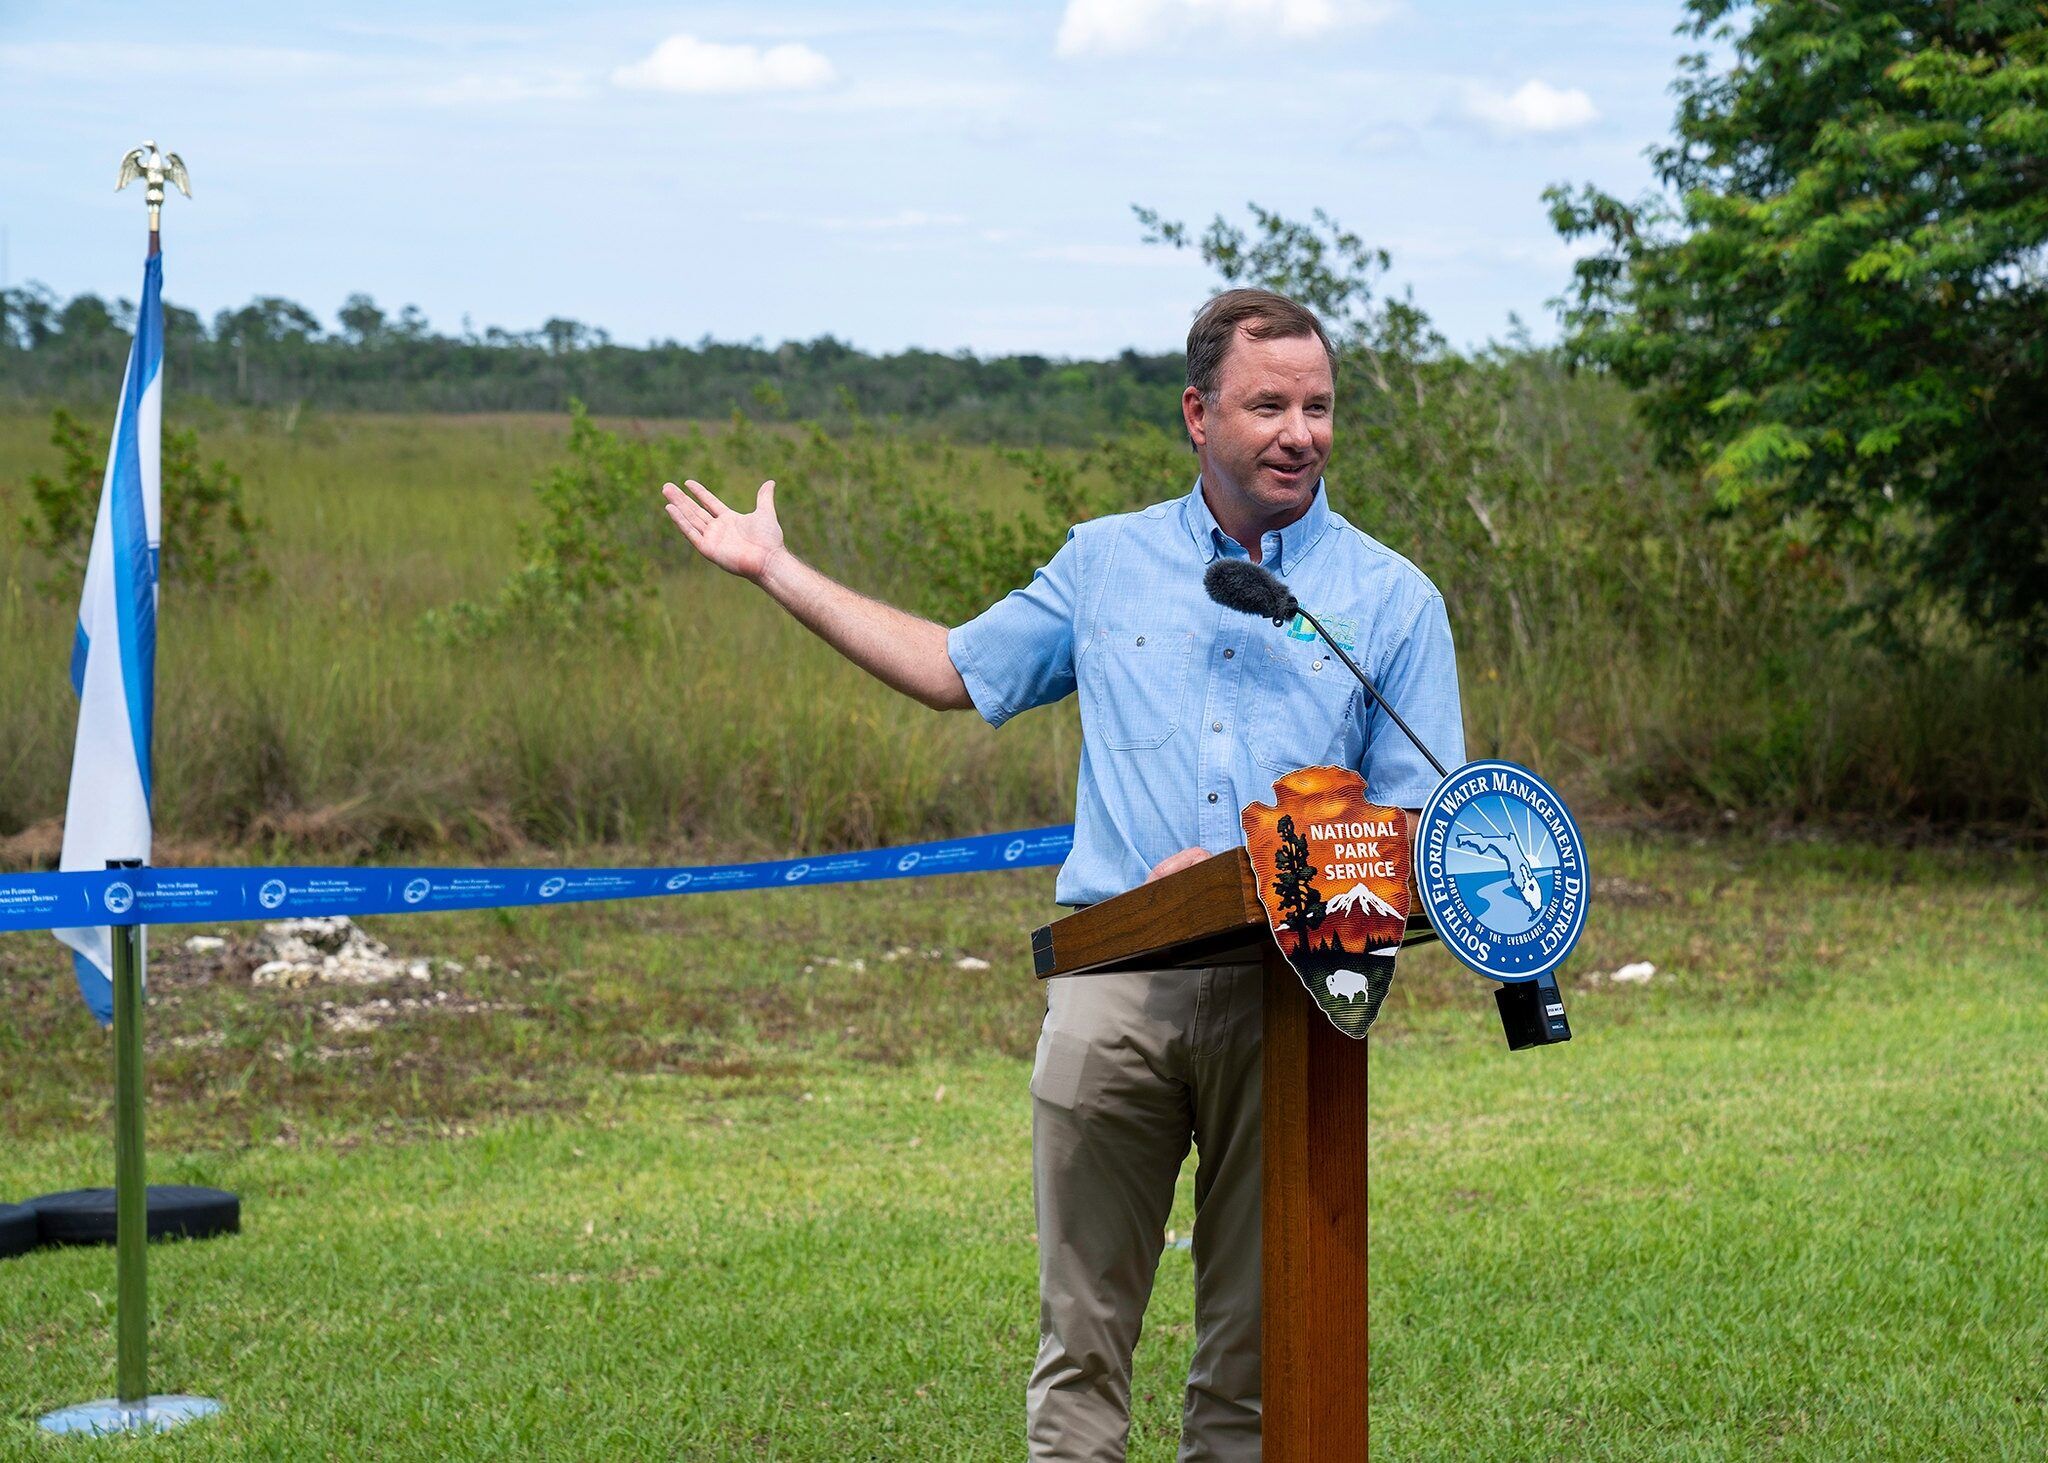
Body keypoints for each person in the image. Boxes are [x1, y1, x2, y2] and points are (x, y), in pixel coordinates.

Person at [661, 287, 1465, 1462]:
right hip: (1116, 986)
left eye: (1319, 406)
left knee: (1255, 1359)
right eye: (1267, 404)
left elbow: (1412, 830)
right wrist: (776, 570)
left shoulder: (1389, 597)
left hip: (1291, 1002)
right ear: (1197, 413)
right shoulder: (1105, 561)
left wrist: (1271, 860)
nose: (1299, 431)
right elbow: (950, 668)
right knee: (1080, 1349)